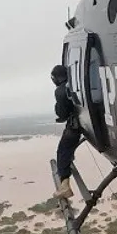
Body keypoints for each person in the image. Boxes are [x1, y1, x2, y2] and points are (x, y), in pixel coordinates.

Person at [51, 64, 81, 199]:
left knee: (63, 150)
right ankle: (70, 158)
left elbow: (63, 114)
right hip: (87, 122)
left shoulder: (61, 90)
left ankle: (65, 186)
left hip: (75, 124)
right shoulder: (76, 85)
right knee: (68, 148)